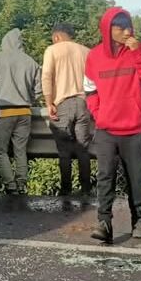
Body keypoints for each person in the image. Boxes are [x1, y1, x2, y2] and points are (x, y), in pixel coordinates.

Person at [84, 8, 141, 243]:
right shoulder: (94, 56)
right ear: (108, 30)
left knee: (137, 178)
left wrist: (139, 54)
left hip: (134, 128)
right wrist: (99, 115)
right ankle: (104, 223)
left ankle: (139, 220)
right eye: (121, 27)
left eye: (129, 27)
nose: (127, 32)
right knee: (105, 177)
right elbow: (90, 90)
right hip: (106, 129)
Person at [0, 28, 43, 194]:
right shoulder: (31, 61)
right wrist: (30, 98)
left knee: (1, 151)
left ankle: (10, 185)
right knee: (20, 151)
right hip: (25, 112)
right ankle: (21, 183)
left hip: (3, 111)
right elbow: (39, 90)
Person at [41, 23, 93, 197]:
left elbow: (46, 76)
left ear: (56, 36)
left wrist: (49, 102)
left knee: (64, 151)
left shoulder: (52, 50)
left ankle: (66, 190)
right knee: (83, 149)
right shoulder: (86, 51)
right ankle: (86, 190)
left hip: (62, 104)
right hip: (83, 103)